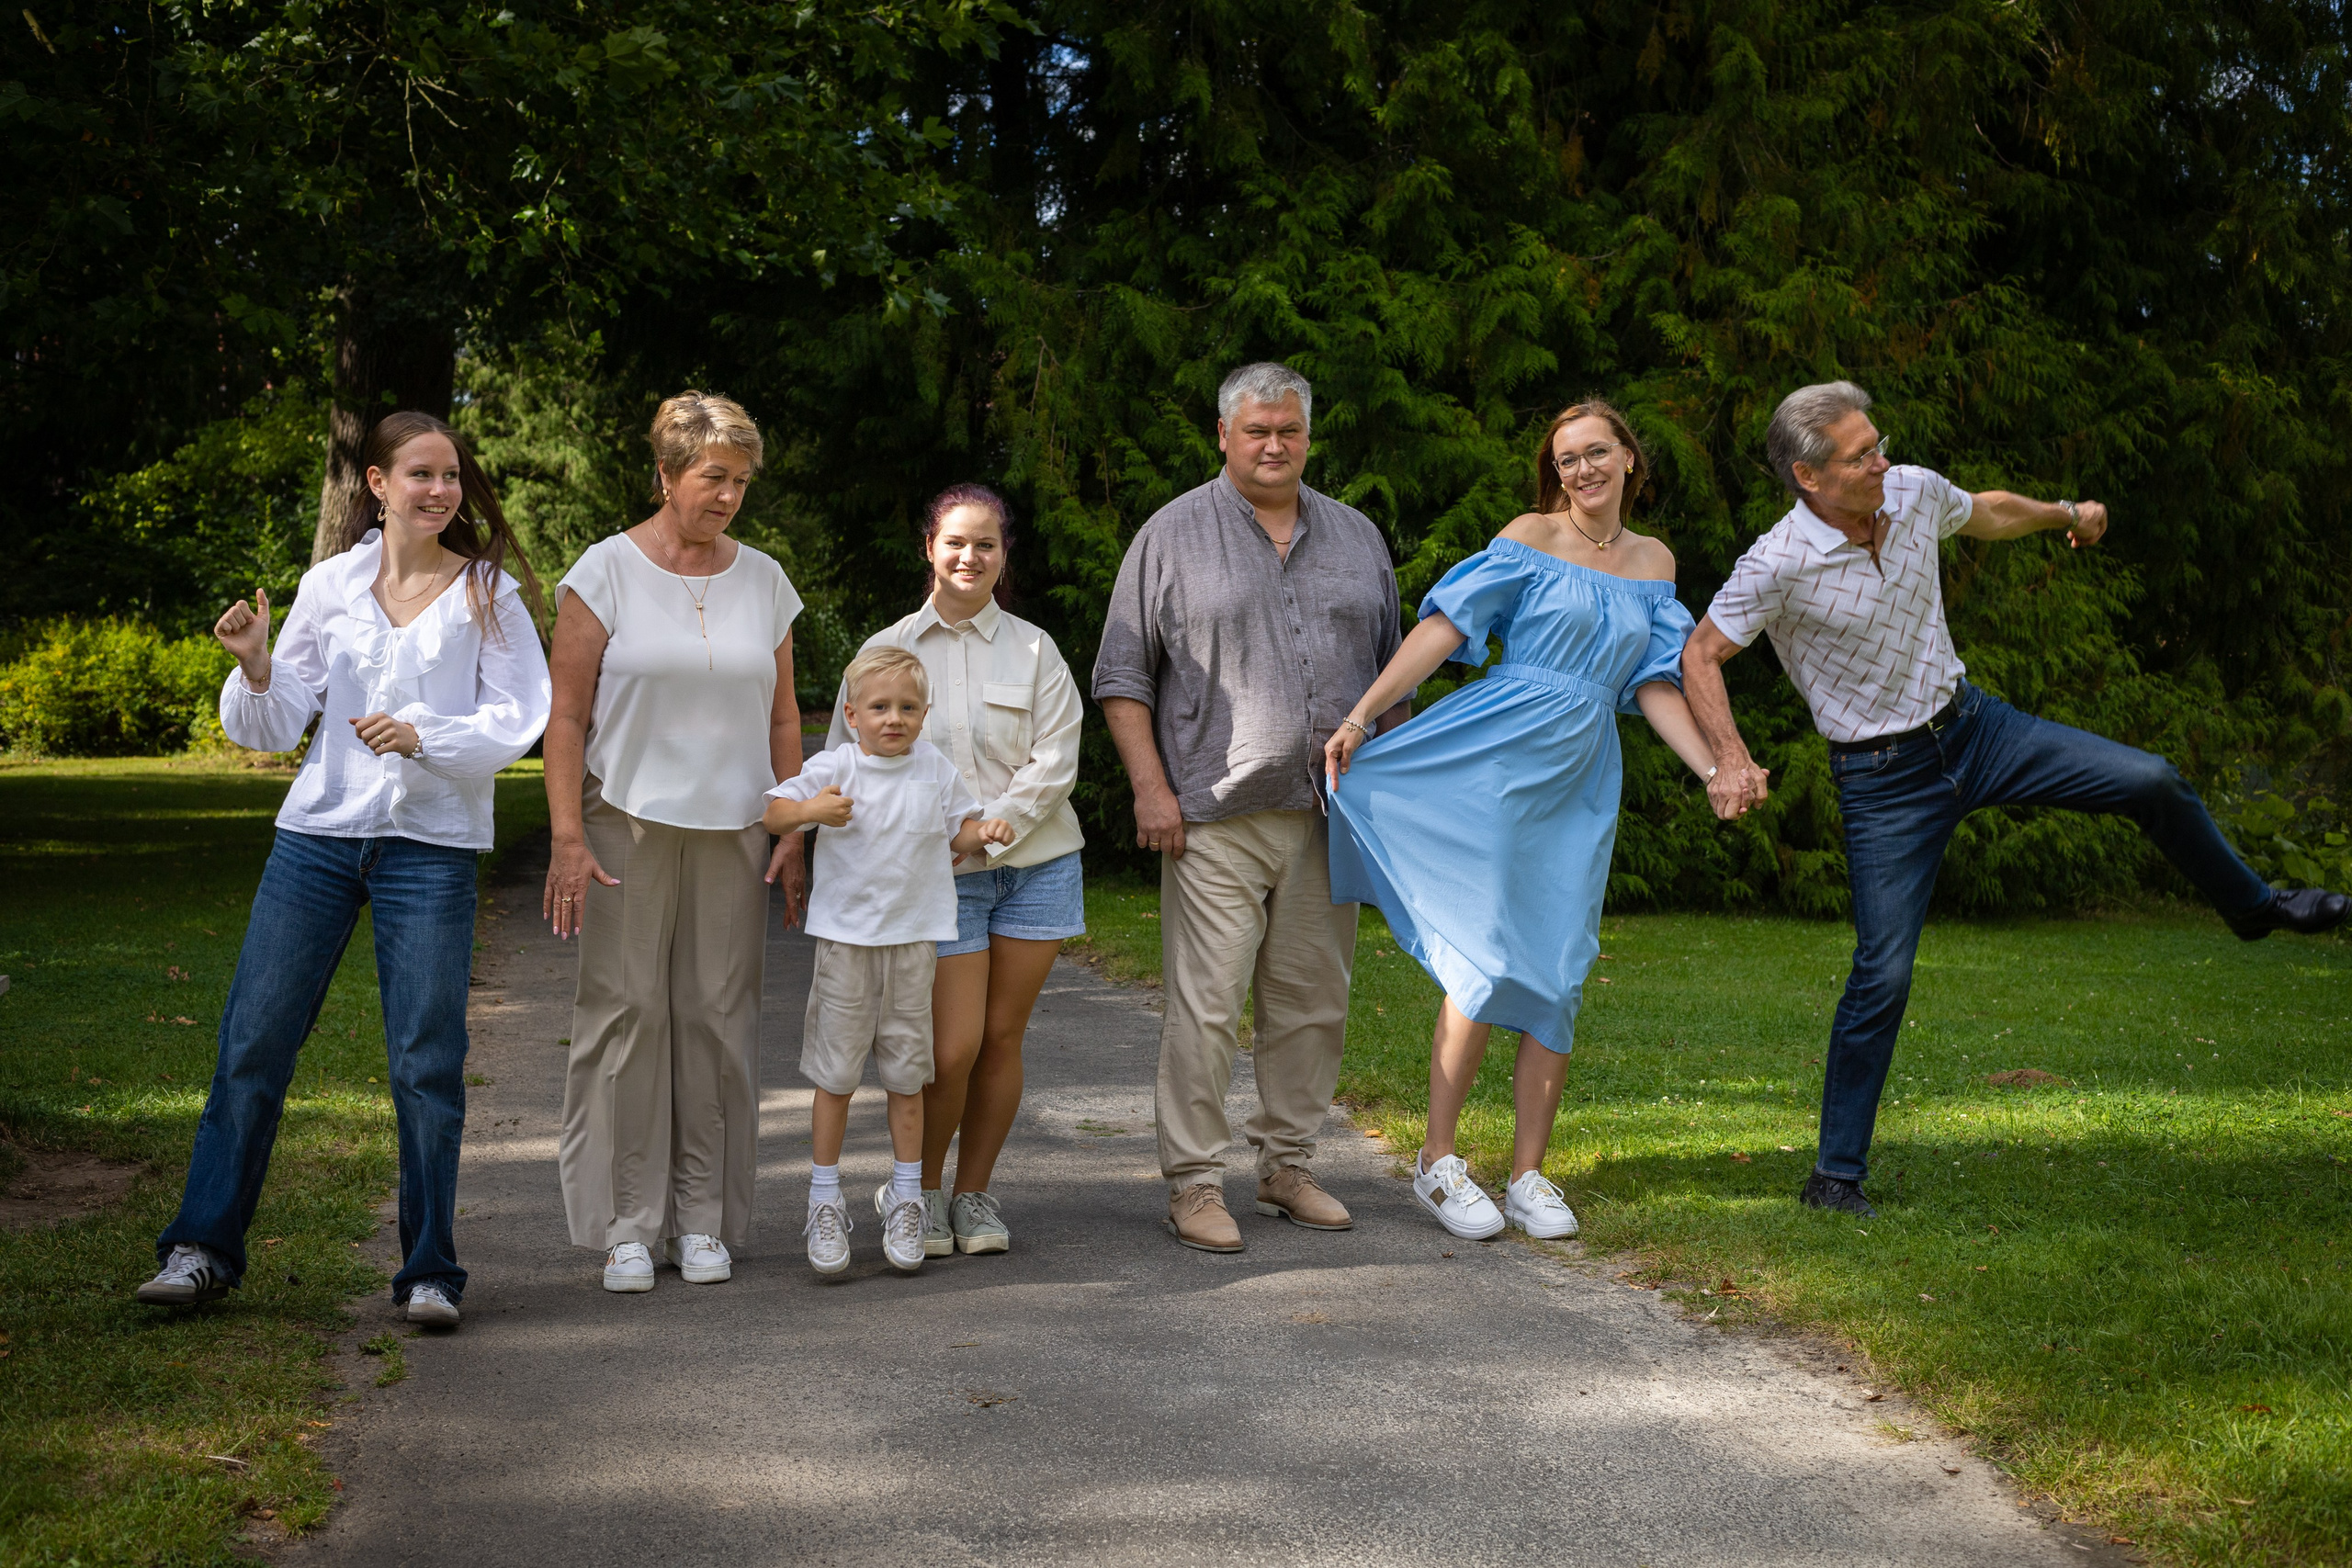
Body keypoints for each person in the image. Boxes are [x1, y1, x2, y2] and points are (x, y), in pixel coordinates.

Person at [1681, 380, 2350, 1217]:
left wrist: (2065, 511)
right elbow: (1701, 654)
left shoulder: (1913, 492)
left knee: (2151, 778)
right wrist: (1731, 757)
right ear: (1809, 477)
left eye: (1878, 442)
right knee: (1882, 973)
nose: (1882, 459)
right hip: (1884, 780)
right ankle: (1834, 1176)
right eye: (1862, 455)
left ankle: (2254, 907)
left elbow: (1985, 511)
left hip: (1976, 728)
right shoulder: (1777, 560)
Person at [137, 412, 552, 1327]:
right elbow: (279, 721)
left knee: (426, 1063)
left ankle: (430, 1271)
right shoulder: (330, 585)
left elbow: (521, 714)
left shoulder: (487, 592)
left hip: (430, 846)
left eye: (450, 476)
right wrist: (253, 666)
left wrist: (425, 736)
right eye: (420, 475)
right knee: (254, 1043)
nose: (440, 491)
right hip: (318, 839)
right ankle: (200, 1249)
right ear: (376, 483)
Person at [1325, 399, 1742, 1241]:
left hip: (1583, 779)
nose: (1580, 470)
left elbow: (1655, 685)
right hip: (1498, 762)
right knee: (1485, 954)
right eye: (1565, 459)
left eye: (1596, 453)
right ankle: (1438, 1162)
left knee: (1558, 966)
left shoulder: (1655, 560)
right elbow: (1444, 630)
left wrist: (1712, 767)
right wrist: (1365, 713)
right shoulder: (1530, 536)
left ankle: (1527, 1173)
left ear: (1630, 458)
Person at [1094, 362, 1407, 1253]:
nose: (1274, 446)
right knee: (1206, 1006)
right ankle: (1194, 1183)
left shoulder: (1354, 536)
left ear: (1308, 436)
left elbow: (1393, 677)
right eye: (1256, 431)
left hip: (1330, 813)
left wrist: (1392, 800)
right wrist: (1151, 790)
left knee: (1311, 1002)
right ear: (1223, 436)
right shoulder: (1170, 536)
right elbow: (1122, 675)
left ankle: (1286, 1167)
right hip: (1212, 815)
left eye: (1289, 431)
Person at [544, 391, 806, 1292]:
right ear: (664, 475)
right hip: (627, 822)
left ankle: (702, 1220)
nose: (727, 496)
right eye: (710, 478)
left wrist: (791, 827)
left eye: (738, 481)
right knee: (625, 1018)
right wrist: (567, 836)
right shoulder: (603, 573)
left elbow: (781, 718)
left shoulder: (765, 580)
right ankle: (626, 1222)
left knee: (718, 1023)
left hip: (734, 828)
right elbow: (567, 719)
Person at [824, 485, 1084, 1258]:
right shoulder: (887, 651)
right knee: (952, 1048)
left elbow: (1058, 754)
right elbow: (863, 759)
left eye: (987, 545)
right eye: (956, 543)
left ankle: (971, 1195)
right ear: (929, 548)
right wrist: (951, 838)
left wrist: (998, 825)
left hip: (1036, 864)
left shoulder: (1036, 648)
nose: (970, 557)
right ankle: (917, 1191)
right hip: (940, 875)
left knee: (1003, 1039)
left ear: (1003, 556)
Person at [769, 646, 1014, 1275]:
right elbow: (771, 811)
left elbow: (954, 835)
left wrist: (980, 833)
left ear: (924, 714)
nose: (893, 718)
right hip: (847, 946)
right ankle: (824, 1201)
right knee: (837, 1078)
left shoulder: (932, 768)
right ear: (853, 714)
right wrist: (809, 813)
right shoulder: (838, 766)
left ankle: (908, 1198)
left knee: (908, 1078)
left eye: (907, 707)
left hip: (914, 945)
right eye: (879, 707)